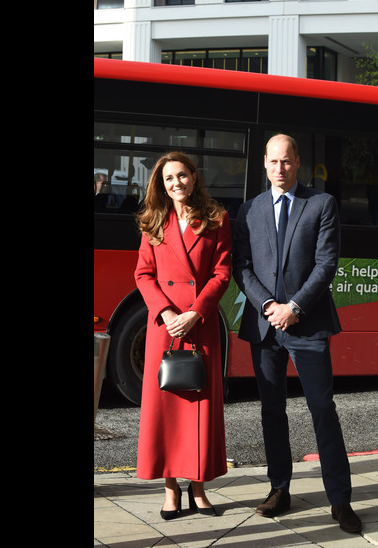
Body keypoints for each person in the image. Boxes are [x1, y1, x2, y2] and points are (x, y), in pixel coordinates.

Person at [232, 134, 362, 533]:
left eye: (286, 162)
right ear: (264, 164)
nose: (279, 169)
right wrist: (269, 307)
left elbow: (326, 264)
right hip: (265, 327)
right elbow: (242, 265)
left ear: (298, 162)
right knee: (272, 411)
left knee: (323, 410)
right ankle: (279, 488)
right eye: (273, 162)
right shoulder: (249, 209)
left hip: (308, 326)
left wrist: (295, 308)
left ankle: (340, 500)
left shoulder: (321, 204)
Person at [134, 151, 232, 520]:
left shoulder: (216, 218)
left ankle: (200, 487)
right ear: (161, 184)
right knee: (167, 410)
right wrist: (167, 312)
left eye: (182, 175)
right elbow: (143, 274)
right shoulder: (151, 221)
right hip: (165, 327)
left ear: (194, 177)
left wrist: (195, 312)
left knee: (199, 405)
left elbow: (223, 272)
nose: (177, 183)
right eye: (168, 178)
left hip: (200, 323)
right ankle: (170, 488)